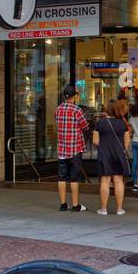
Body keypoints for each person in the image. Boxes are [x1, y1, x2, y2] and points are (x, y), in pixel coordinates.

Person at [93, 98, 131, 215]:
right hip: (119, 154)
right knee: (118, 181)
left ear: (107, 110)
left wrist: (104, 146)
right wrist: (121, 149)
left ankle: (103, 209)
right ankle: (119, 209)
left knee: (105, 181)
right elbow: (127, 141)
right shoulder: (122, 124)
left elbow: (95, 141)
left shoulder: (100, 123)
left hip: (105, 154)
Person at [55, 84, 89, 212]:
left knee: (62, 177)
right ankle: (75, 205)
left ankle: (63, 204)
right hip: (75, 148)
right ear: (74, 97)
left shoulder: (57, 110)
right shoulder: (77, 110)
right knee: (74, 178)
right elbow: (85, 127)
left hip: (62, 149)